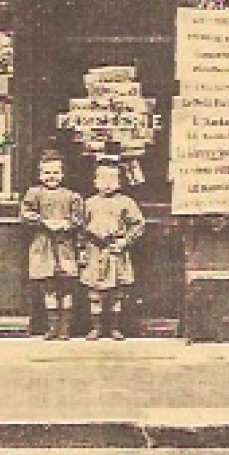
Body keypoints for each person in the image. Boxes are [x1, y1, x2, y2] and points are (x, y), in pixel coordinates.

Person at [79, 145, 146, 341]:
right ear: (94, 181)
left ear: (120, 182)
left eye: (112, 179)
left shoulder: (126, 202)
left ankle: (115, 327)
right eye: (103, 179)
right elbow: (80, 226)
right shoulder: (88, 203)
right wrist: (82, 249)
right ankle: (96, 327)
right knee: (95, 292)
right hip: (94, 251)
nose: (107, 184)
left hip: (116, 250)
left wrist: (124, 242)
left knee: (116, 292)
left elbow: (138, 224)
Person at [20, 148, 83, 340]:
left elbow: (79, 217)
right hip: (44, 245)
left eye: (55, 173)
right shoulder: (34, 193)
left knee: (66, 287)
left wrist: (68, 223)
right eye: (47, 173)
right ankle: (52, 326)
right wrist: (43, 221)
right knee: (48, 287)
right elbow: (25, 213)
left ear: (62, 174)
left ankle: (65, 327)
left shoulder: (71, 196)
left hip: (64, 246)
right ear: (40, 174)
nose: (51, 177)